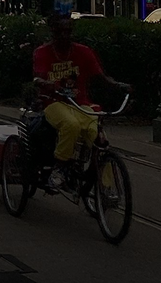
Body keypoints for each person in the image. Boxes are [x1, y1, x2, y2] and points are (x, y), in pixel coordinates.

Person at [32, 14, 129, 190]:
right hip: (53, 103)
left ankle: (105, 187)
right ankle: (59, 168)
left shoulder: (83, 51)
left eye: (68, 31)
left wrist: (119, 86)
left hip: (80, 103)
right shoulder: (42, 52)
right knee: (71, 125)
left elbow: (101, 76)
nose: (64, 36)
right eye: (60, 32)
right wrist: (48, 84)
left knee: (99, 138)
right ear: (53, 33)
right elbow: (38, 78)